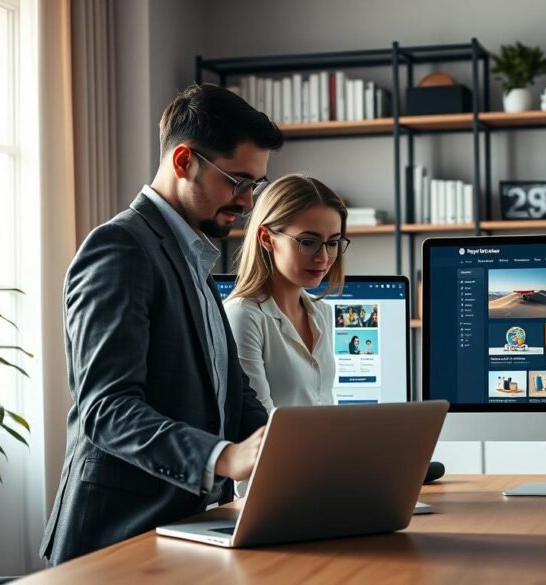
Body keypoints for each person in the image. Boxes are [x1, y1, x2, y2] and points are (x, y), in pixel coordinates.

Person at [40, 84, 282, 564]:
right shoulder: (120, 248)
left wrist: (306, 450)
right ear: (183, 161)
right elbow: (106, 409)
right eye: (238, 181)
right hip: (114, 542)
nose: (248, 201)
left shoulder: (192, 252)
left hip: (184, 530)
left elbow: (229, 394)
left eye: (255, 185)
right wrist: (223, 457)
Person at [224, 174, 349, 412]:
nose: (323, 258)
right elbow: (260, 423)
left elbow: (325, 405)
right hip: (276, 450)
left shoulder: (321, 313)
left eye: (333, 243)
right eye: (307, 242)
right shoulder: (243, 316)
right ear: (267, 238)